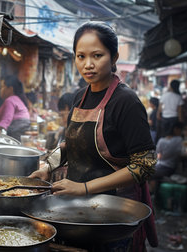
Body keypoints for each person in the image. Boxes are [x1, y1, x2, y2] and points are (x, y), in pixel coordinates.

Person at [29, 21, 158, 251]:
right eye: (81, 56)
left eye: (97, 55)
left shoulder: (126, 102)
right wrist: (47, 167)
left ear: (114, 56)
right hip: (75, 210)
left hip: (113, 213)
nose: (88, 64)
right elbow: (70, 144)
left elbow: (145, 165)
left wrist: (85, 188)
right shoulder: (80, 96)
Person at [151, 122, 184, 186]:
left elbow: (158, 155)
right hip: (169, 167)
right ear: (175, 129)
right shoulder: (179, 140)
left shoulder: (162, 140)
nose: (181, 132)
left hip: (164, 167)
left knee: (145, 173)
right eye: (180, 130)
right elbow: (182, 153)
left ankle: (152, 192)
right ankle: (153, 191)